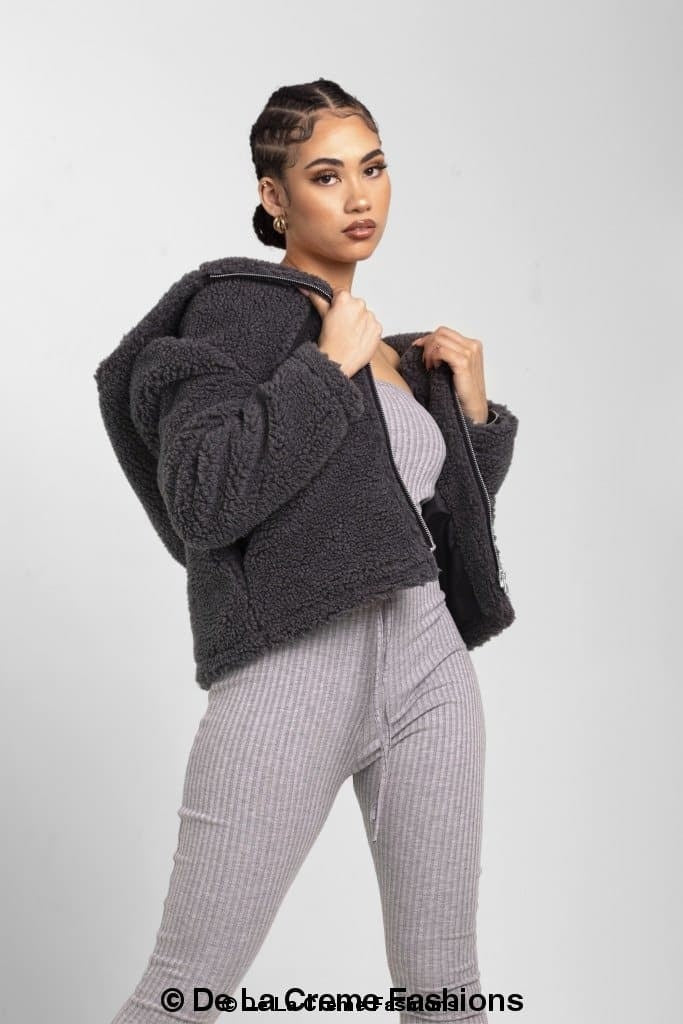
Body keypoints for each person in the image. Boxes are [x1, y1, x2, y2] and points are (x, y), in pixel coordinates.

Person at [97, 78, 519, 1024]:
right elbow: (203, 497)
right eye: (326, 176)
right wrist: (324, 365)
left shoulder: (392, 355)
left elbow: (422, 528)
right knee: (184, 992)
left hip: (429, 669)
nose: (358, 197)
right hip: (293, 665)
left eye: (373, 168)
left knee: (446, 991)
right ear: (274, 196)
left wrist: (471, 414)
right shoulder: (236, 314)